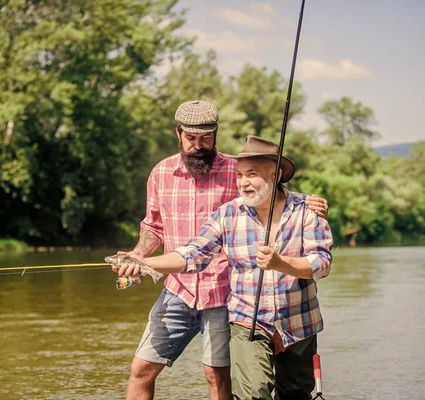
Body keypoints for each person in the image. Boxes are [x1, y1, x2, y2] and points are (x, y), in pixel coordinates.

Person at [121, 101, 329, 400]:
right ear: (178, 133)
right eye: (191, 138)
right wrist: (140, 257)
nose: (198, 145)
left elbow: (272, 193)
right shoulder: (161, 173)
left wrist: (309, 202)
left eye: (205, 138)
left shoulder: (238, 169)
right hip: (178, 286)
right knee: (142, 368)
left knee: (217, 375)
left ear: (216, 134)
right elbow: (155, 228)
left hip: (224, 289)